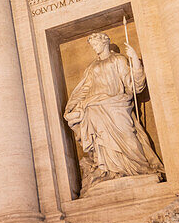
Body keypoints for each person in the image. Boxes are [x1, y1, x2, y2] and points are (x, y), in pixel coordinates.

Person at [64, 32, 163, 191]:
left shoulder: (118, 59)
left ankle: (138, 167)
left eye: (97, 44)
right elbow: (85, 89)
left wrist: (135, 62)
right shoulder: (92, 67)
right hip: (95, 107)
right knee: (102, 141)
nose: (95, 48)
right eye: (93, 45)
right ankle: (109, 170)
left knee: (129, 137)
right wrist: (73, 105)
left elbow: (134, 85)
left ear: (105, 43)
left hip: (117, 105)